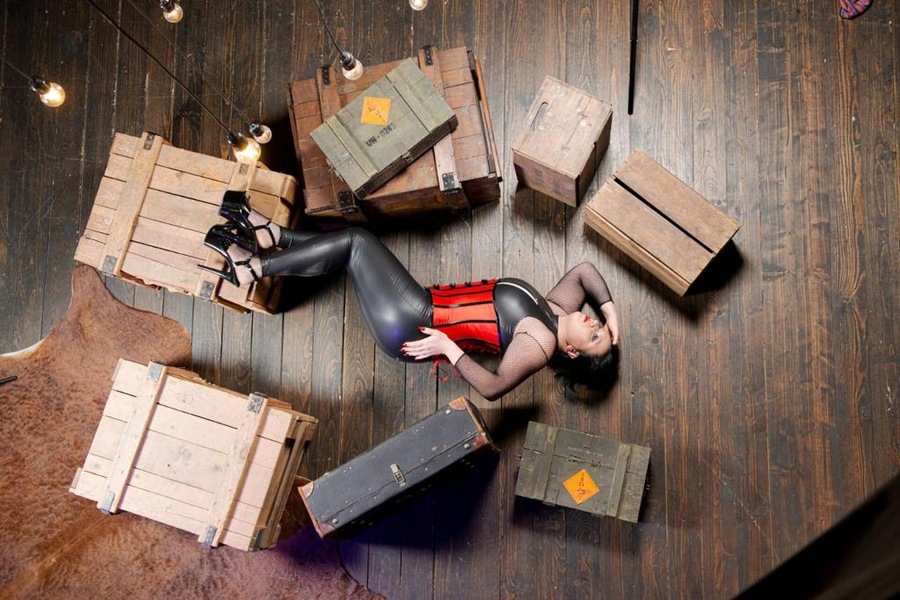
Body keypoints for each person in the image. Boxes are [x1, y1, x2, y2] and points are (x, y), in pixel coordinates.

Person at [200, 192, 620, 401]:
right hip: (419, 304)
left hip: (413, 324)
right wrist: (611, 314)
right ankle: (273, 235)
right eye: (600, 326)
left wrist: (448, 349)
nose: (594, 323)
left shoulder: (540, 343)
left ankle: (253, 268)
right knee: (351, 250)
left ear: (570, 352)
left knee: (356, 243)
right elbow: (584, 272)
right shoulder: (557, 310)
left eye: (594, 336)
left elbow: (493, 388)